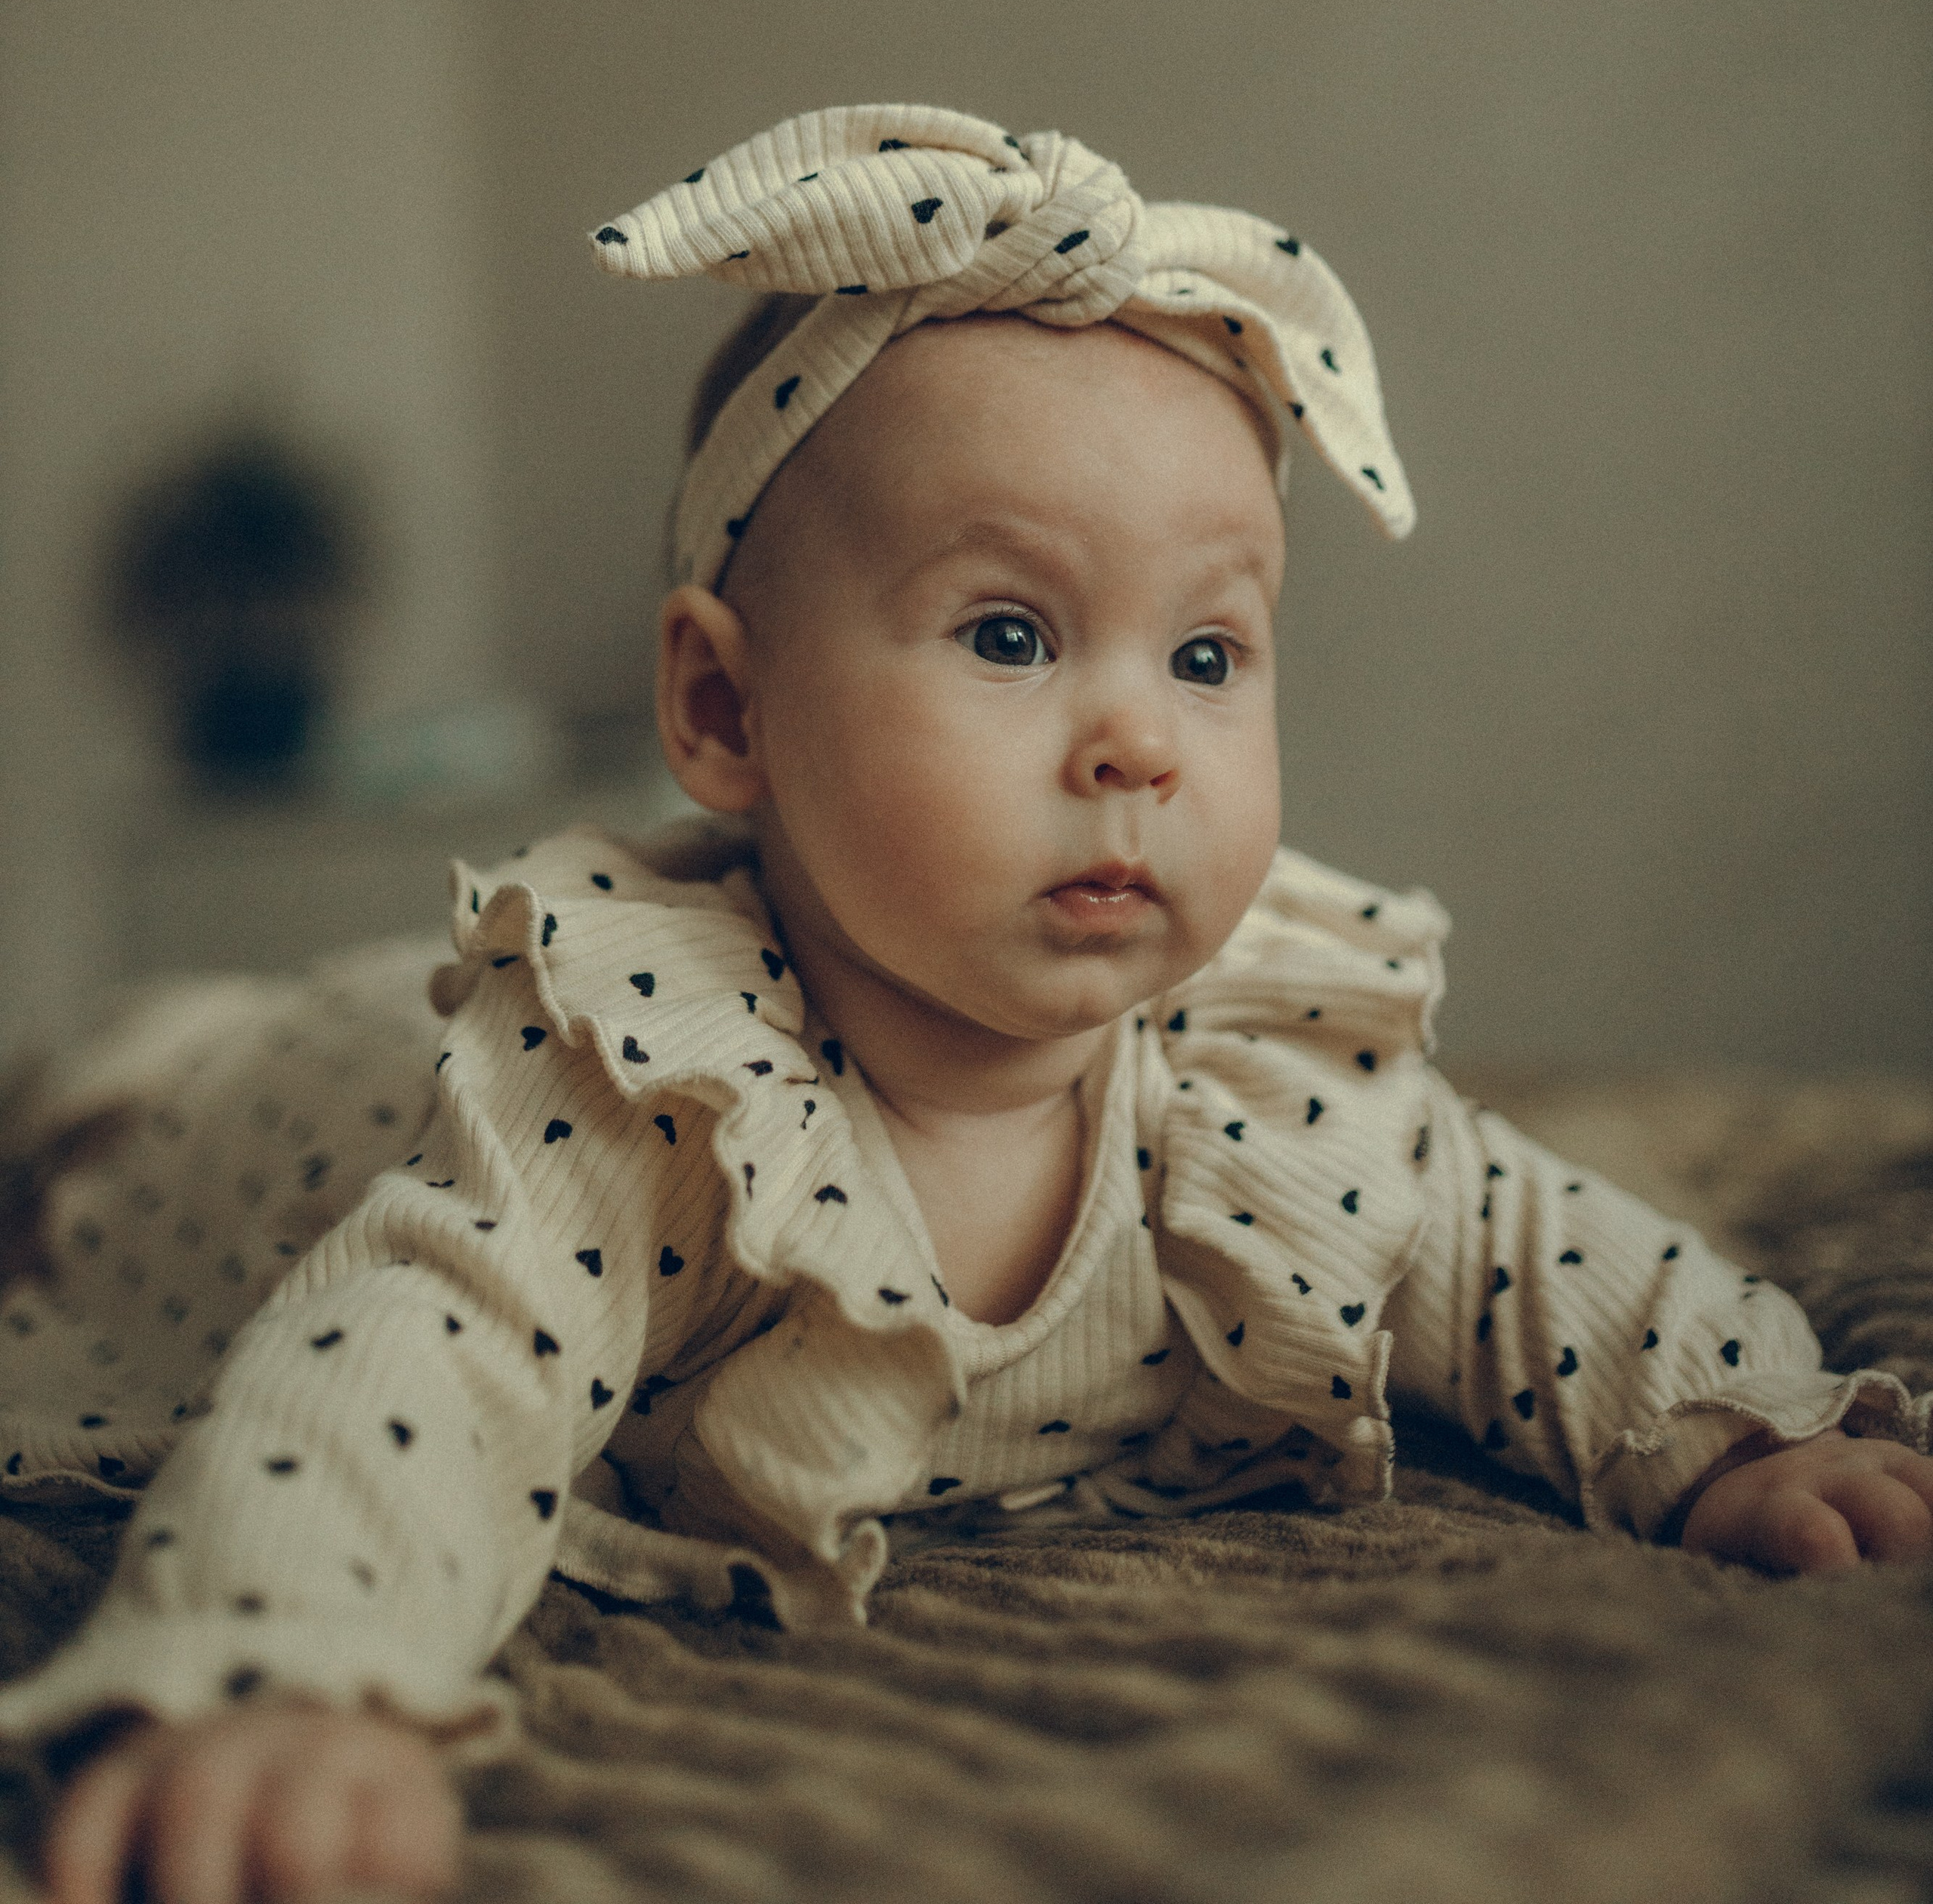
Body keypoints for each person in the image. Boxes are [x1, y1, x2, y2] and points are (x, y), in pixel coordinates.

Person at [7, 105, 1929, 1904]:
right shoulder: (644, 1093)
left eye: (1206, 651)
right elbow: (421, 1361)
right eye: (1008, 633)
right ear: (721, 712)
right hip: (317, 1099)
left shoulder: (1265, 1090)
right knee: (164, 1083)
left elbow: (1533, 1252)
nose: (1135, 742)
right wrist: (297, 1669)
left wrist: (1738, 1434)